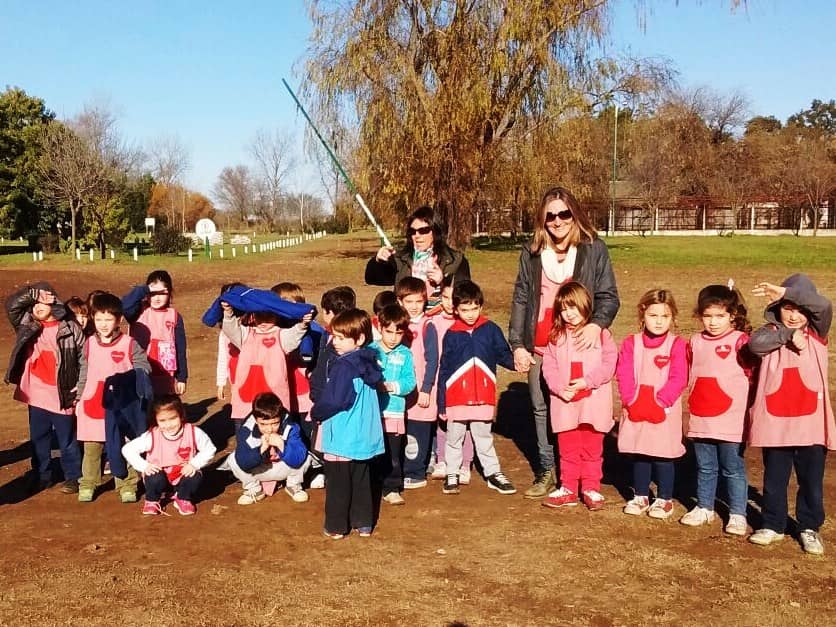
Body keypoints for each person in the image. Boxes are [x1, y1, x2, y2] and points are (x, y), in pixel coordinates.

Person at [509, 186, 619, 499]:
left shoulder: (593, 248)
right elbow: (520, 298)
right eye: (550, 215)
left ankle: (582, 472)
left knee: (580, 407)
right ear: (542, 219)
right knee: (541, 408)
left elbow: (608, 295)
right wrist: (518, 343)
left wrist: (597, 325)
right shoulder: (531, 252)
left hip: (580, 342)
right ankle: (547, 470)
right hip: (541, 343)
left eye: (563, 214)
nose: (557, 221)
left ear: (574, 214)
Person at [746, 274, 835, 555]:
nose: (794, 315)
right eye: (787, 307)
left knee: (810, 479)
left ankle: (809, 527)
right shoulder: (770, 332)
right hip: (776, 422)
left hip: (810, 424)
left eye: (799, 309)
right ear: (777, 308)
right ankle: (773, 523)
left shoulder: (818, 334)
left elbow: (823, 306)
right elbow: (755, 345)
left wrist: (787, 291)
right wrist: (786, 334)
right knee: (774, 477)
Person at [681, 283, 754, 535]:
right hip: (701, 417)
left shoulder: (742, 342)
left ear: (732, 315)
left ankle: (737, 513)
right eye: (707, 316)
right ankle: (704, 506)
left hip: (731, 421)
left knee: (732, 468)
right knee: (705, 466)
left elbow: (753, 376)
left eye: (720, 316)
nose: (713, 322)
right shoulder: (694, 341)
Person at [540, 282, 617, 510]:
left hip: (593, 403)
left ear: (586, 305)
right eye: (564, 309)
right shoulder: (556, 337)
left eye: (573, 307)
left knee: (592, 449)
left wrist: (588, 381)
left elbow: (609, 363)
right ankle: (569, 488)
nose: (569, 314)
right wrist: (557, 388)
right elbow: (549, 367)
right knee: (568, 449)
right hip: (566, 404)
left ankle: (591, 487)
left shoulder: (600, 334)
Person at [437, 280, 517, 495]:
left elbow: (503, 354)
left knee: (484, 437)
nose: (470, 314)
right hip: (456, 397)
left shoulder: (490, 329)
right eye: (464, 309)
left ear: (481, 306)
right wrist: (442, 403)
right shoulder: (452, 334)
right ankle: (452, 472)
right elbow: (444, 369)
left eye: (474, 308)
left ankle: (492, 473)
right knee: (454, 438)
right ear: (456, 309)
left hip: (483, 395)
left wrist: (517, 362)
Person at [311, 309, 385, 539]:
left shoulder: (344, 366)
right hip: (363, 436)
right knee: (362, 479)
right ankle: (363, 523)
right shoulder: (370, 360)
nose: (335, 342)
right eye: (334, 336)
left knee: (338, 483)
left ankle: (336, 526)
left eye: (341, 338)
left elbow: (335, 400)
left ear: (360, 338)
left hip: (342, 435)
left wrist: (317, 411)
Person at [5, 284, 85, 494]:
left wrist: (81, 386)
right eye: (34, 304)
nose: (37, 307)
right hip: (36, 394)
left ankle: (73, 476)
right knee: (39, 438)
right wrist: (31, 294)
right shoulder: (28, 325)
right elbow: (11, 306)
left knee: (67, 439)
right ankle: (42, 475)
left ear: (54, 302)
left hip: (63, 393)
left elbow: (84, 358)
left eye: (43, 302)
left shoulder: (69, 328)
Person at [616, 289, 687, 520]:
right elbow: (624, 373)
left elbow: (679, 377)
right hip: (636, 407)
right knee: (640, 452)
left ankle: (664, 499)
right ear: (642, 315)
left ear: (672, 318)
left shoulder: (677, 345)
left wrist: (661, 401)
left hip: (663, 410)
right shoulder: (631, 343)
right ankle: (640, 495)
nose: (658, 321)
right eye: (653, 315)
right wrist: (631, 400)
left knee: (663, 454)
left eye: (664, 316)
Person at [76, 292, 151, 503]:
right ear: (92, 319)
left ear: (118, 320)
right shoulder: (89, 343)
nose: (103, 324)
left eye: (109, 319)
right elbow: (84, 371)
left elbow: (143, 368)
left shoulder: (129, 344)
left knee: (123, 447)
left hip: (120, 406)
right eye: (99, 319)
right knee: (92, 450)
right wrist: (79, 398)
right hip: (93, 403)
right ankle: (88, 484)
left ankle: (127, 485)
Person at [222, 301, 312, 434]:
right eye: (259, 315)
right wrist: (228, 313)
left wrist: (303, 324)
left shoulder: (281, 335)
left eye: (268, 315)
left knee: (280, 438)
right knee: (246, 440)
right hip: (247, 400)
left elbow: (295, 335)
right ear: (253, 315)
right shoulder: (246, 334)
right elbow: (230, 329)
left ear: (277, 315)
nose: (264, 319)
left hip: (275, 401)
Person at [121, 395, 216, 516]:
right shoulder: (152, 435)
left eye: (173, 418)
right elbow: (128, 449)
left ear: (181, 415)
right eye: (162, 421)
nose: (169, 425)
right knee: (154, 477)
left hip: (182, 474)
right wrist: (144, 466)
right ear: (156, 420)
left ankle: (183, 497)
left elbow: (209, 449)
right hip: (159, 475)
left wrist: (194, 464)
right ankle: (152, 500)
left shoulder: (193, 432)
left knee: (195, 475)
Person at [365, 205, 471, 310]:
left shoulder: (455, 260)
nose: (417, 236)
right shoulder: (403, 259)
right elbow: (371, 278)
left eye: (423, 230)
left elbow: (464, 300)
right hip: (406, 323)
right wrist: (378, 260)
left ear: (435, 231)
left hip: (441, 324)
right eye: (412, 231)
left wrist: (442, 282)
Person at [369, 304, 416, 506]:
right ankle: (371, 485)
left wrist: (391, 386)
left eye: (399, 333)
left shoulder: (405, 354)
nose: (393, 337)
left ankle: (392, 487)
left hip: (395, 412)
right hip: (372, 413)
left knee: (393, 455)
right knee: (372, 452)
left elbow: (410, 381)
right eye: (389, 332)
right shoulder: (370, 350)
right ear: (380, 327)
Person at [226, 392, 310, 505]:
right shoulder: (246, 429)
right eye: (264, 424)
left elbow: (298, 458)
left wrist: (281, 445)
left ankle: (293, 485)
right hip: (259, 470)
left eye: (275, 423)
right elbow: (243, 463)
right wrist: (260, 450)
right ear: (256, 420)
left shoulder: (290, 426)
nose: (270, 429)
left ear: (280, 418)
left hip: (284, 468)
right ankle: (254, 489)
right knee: (233, 459)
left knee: (305, 455)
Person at [430, 276, 475, 484]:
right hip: (441, 379)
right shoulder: (433, 322)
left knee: (464, 423)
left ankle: (465, 464)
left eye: (453, 298)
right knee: (443, 421)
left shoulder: (466, 323)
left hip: (462, 381)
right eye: (445, 297)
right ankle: (442, 460)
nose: (449, 303)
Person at [397, 277, 439, 489]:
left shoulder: (427, 326)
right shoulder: (396, 326)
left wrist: (426, 389)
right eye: (409, 302)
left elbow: (433, 360)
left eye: (418, 302)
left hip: (421, 389)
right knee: (402, 430)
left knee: (418, 431)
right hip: (401, 392)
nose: (414, 307)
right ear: (399, 302)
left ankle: (416, 471)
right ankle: (405, 467)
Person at [122, 270, 188, 396]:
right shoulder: (138, 311)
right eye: (153, 293)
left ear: (169, 293)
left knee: (163, 409)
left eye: (162, 293)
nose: (157, 298)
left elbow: (180, 349)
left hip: (165, 376)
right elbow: (124, 306)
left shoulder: (174, 316)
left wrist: (182, 377)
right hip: (140, 373)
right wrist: (144, 289)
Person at [214, 282, 245, 403]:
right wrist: (221, 383)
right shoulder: (224, 333)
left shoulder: (251, 328)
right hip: (235, 377)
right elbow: (223, 358)